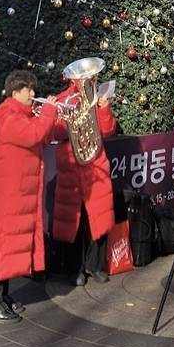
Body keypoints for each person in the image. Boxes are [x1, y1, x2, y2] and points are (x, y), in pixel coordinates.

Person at [0, 71, 57, 323]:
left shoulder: (19, 116)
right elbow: (33, 134)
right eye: (28, 90)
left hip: (16, 197)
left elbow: (40, 135)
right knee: (3, 247)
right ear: (15, 93)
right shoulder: (9, 118)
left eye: (33, 89)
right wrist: (48, 112)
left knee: (10, 248)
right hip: (10, 198)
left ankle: (1, 297)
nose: (33, 94)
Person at [52, 82, 117, 286]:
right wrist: (69, 118)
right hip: (71, 166)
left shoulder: (96, 99)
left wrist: (104, 107)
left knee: (99, 217)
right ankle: (75, 269)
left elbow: (107, 130)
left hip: (95, 165)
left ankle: (95, 266)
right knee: (74, 221)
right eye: (82, 77)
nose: (87, 81)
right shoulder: (63, 99)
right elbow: (56, 133)